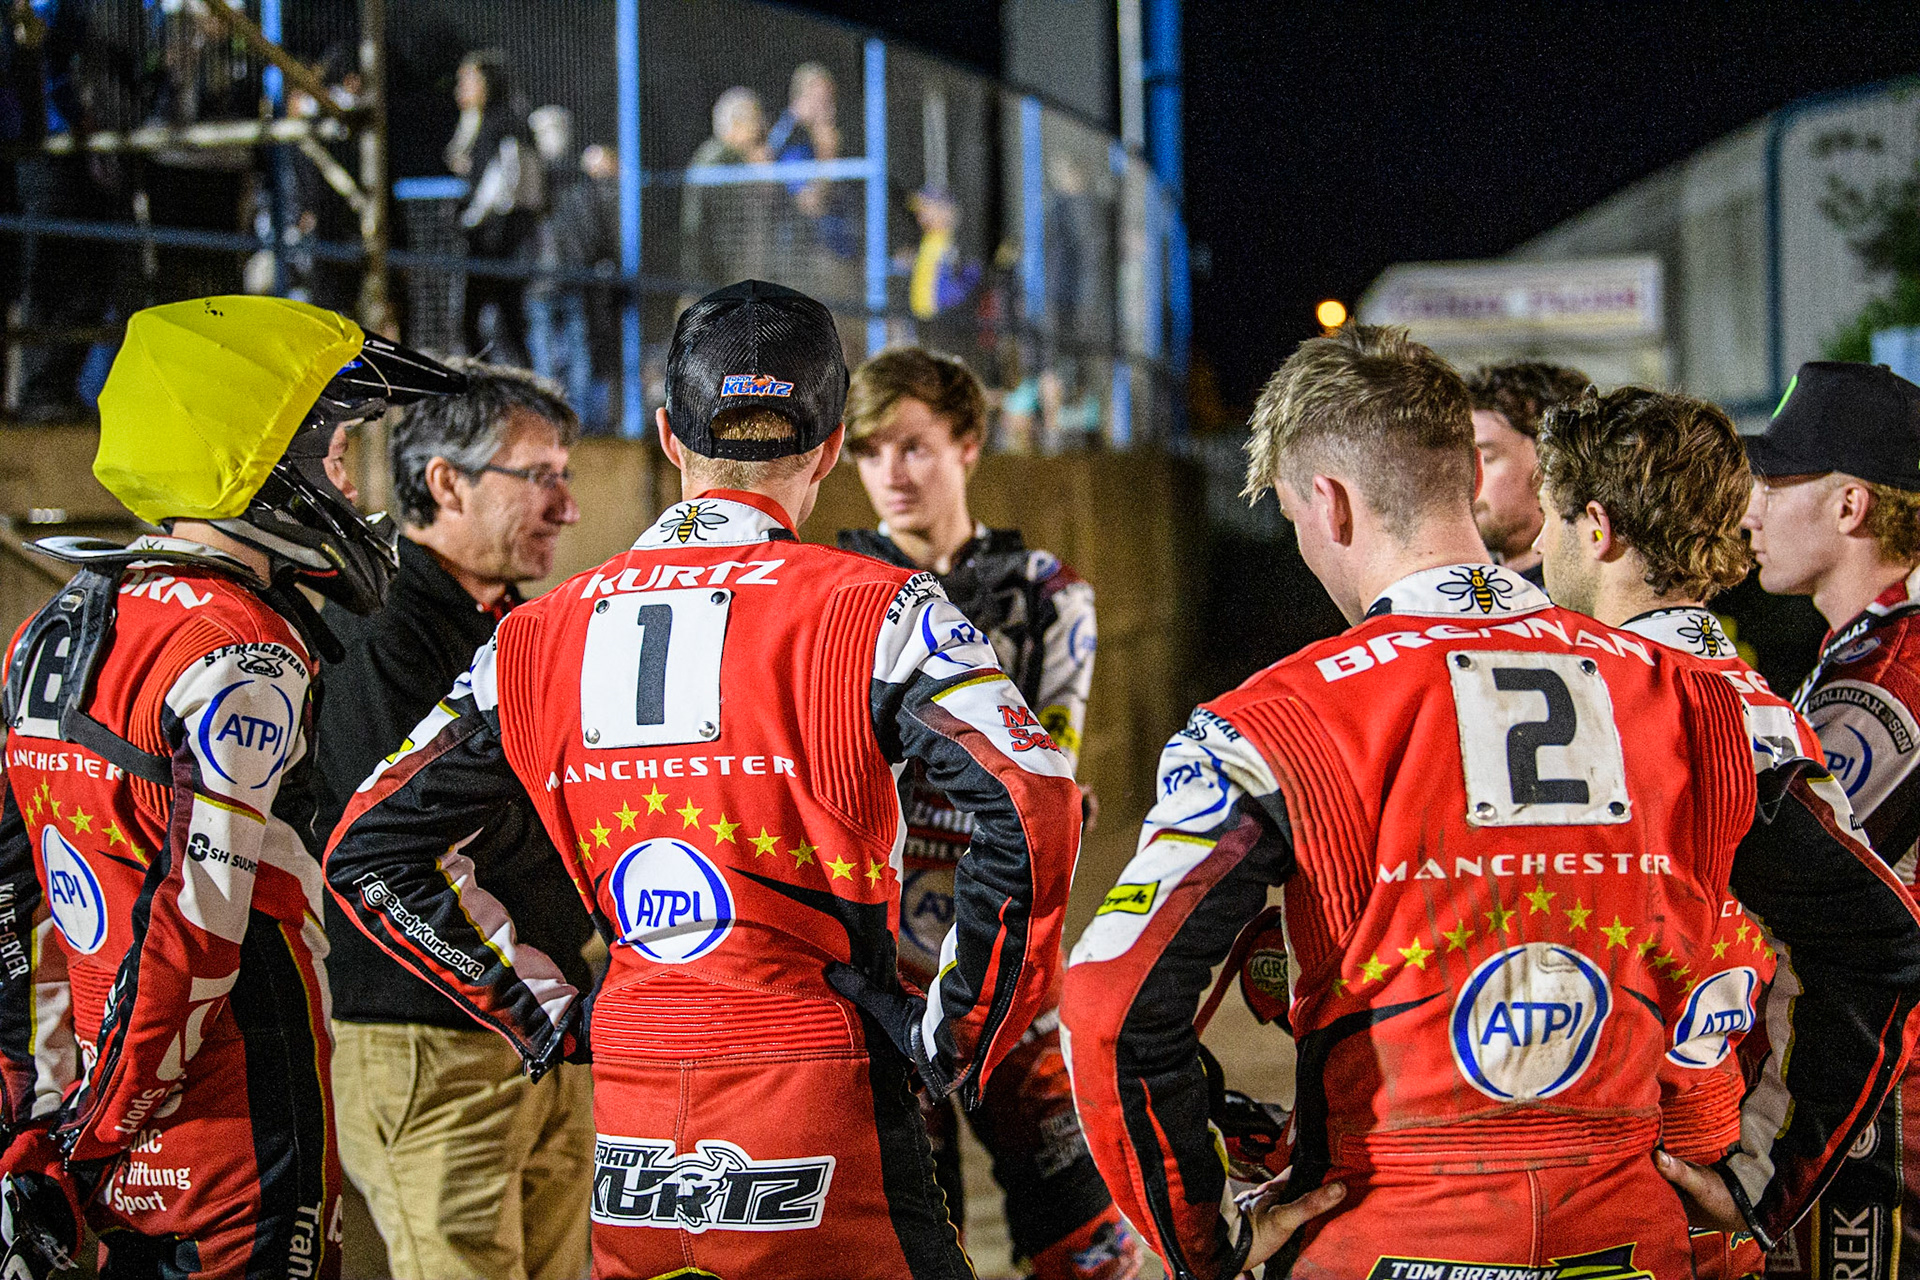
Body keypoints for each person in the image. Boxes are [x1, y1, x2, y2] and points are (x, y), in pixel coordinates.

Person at [1060, 323, 1920, 1280]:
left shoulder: (1270, 723)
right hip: (1641, 1232)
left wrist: (1203, 1240)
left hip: (1384, 1238)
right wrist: (1771, 1173)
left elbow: (1108, 999)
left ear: (1330, 504)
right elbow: (1878, 939)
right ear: (1471, 477)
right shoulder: (1719, 701)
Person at [324, 280, 1078, 1279]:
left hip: (634, 1127)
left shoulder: (533, 637)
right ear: (830, 444)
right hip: (822, 1096)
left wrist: (539, 1008)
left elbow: (369, 845)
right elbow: (1035, 797)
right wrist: (953, 1030)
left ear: (669, 432)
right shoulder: (883, 608)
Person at [0, 296, 465, 1278]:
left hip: (111, 1106)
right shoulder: (243, 645)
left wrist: (36, 1120)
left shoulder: (56, 622)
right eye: (332, 450)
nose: (346, 480)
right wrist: (94, 1125)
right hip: (229, 1105)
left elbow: (9, 889)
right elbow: (199, 933)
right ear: (269, 462)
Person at [836, 348, 1140, 1280]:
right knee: (912, 1237)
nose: (892, 472)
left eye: (916, 446)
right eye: (871, 450)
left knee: (1083, 1231)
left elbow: (1050, 780)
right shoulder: (829, 588)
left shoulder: (1051, 593)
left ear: (969, 446)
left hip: (1006, 951)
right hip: (877, 963)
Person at [1533, 385, 1824, 1280]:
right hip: (1713, 1164)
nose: (1538, 548)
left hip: (1601, 1169)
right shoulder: (1770, 711)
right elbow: (1852, 954)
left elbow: (1876, 946)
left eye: (1550, 519)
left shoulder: (1579, 708)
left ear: (1598, 527)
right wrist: (1766, 1164)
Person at [312, 363, 592, 1280]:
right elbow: (394, 843)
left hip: (540, 1034)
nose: (567, 507)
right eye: (539, 476)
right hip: (430, 1041)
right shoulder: (381, 621)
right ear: (444, 482)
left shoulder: (510, 626)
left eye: (566, 476)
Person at [1739, 360, 1920, 1280]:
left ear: (1851, 505)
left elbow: (1794, 889)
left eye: (1773, 484)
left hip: (1883, 1126)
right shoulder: (1869, 647)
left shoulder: (1892, 674)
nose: (1748, 512)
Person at [447, 50, 540, 365]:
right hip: (491, 235)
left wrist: (471, 218)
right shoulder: (483, 122)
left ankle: (510, 395)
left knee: (503, 323)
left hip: (498, 237)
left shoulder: (504, 123)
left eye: (468, 79)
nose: (461, 87)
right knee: (488, 322)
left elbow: (503, 183)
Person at [1463, 361, 1591, 586]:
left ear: (1552, 463)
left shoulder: (1587, 599)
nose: (1466, 479)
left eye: (1486, 458)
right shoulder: (1470, 589)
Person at [679, 88, 773, 290]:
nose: (760, 129)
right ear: (738, 124)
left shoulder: (716, 155)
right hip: (717, 272)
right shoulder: (721, 159)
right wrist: (759, 172)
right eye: (755, 121)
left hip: (713, 269)